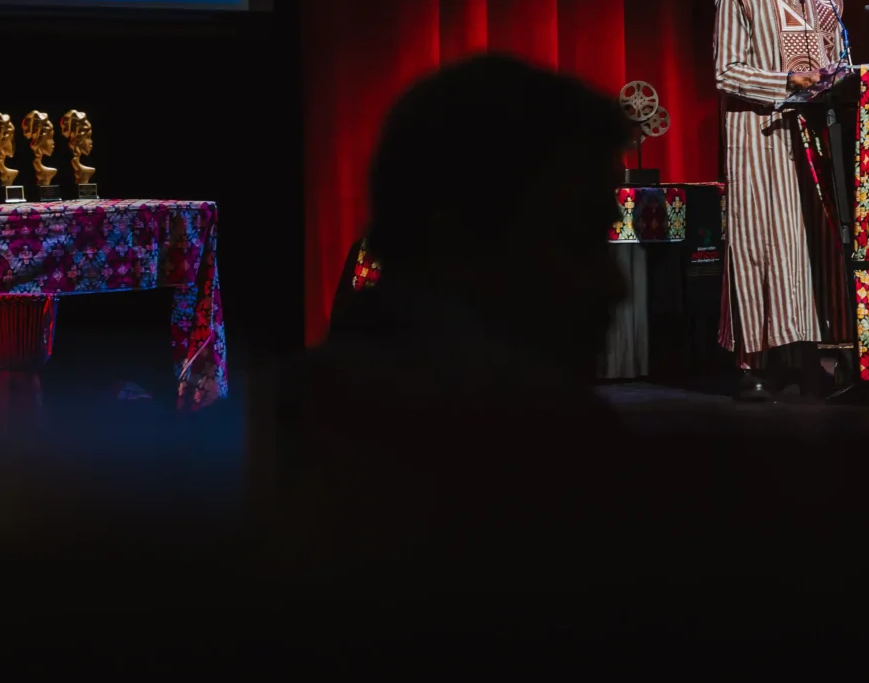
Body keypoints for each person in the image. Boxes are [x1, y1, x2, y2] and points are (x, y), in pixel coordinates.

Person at [254, 54, 637, 602]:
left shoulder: (265, 433)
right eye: (577, 240)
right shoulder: (550, 451)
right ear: (455, 237)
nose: (615, 287)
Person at [713, 0, 854, 400]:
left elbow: (838, 58)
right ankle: (757, 362)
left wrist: (839, 79)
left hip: (815, 138)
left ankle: (810, 359)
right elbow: (726, 71)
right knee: (763, 245)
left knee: (811, 247)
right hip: (761, 136)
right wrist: (788, 81)